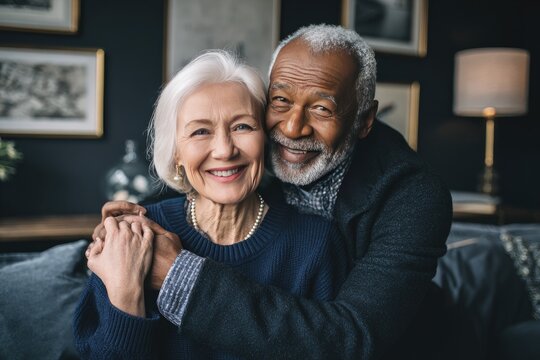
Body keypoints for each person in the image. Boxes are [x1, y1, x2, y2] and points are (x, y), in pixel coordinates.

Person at [92, 24, 453, 359]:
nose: (293, 128)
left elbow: (351, 337)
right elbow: (203, 172)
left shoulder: (414, 196)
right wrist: (126, 230)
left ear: (363, 120)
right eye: (280, 101)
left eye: (322, 108)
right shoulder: (256, 147)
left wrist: (179, 276)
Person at [73, 50, 350, 359]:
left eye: (242, 126)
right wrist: (127, 297)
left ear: (266, 138)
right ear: (176, 152)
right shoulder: (135, 235)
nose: (224, 150)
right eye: (200, 131)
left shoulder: (316, 244)